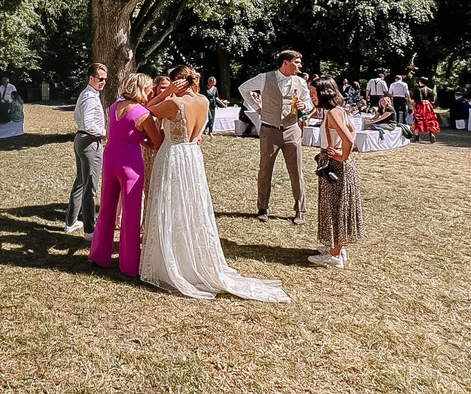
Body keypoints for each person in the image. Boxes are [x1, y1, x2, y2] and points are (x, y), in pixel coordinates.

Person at [139, 66, 290, 302]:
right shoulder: (202, 100)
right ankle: (189, 256)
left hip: (174, 155)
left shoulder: (174, 103)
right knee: (191, 206)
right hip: (192, 156)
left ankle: (174, 261)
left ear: (178, 82)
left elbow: (146, 109)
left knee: (171, 203)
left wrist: (165, 92)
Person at [90, 73, 162, 277]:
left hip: (110, 160)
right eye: (150, 89)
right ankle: (129, 264)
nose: (151, 92)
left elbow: (122, 133)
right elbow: (156, 141)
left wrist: (138, 139)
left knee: (107, 208)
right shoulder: (143, 113)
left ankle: (99, 255)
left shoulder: (114, 107)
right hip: (130, 164)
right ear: (143, 89)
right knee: (131, 214)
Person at [238, 50, 310, 225]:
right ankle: (262, 208)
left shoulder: (300, 82)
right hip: (269, 130)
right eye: (297, 62)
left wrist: (304, 105)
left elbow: (309, 102)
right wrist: (257, 108)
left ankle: (300, 210)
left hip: (292, 129)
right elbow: (243, 89)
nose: (300, 66)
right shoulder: (264, 78)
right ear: (286, 63)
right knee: (265, 170)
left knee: (296, 171)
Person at [307, 77, 364, 268]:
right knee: (336, 206)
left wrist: (342, 155)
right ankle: (337, 248)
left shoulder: (333, 113)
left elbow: (349, 139)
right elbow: (353, 129)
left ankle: (335, 256)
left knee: (336, 207)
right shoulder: (338, 110)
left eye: (314, 92)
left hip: (336, 166)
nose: (312, 96)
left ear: (324, 93)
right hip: (336, 163)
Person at [65, 63, 107, 238]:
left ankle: (71, 221)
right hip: (89, 141)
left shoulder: (86, 94)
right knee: (90, 186)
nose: (103, 82)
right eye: (100, 79)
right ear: (91, 78)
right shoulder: (90, 97)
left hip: (81, 138)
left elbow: (77, 116)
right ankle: (90, 230)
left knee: (81, 182)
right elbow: (89, 124)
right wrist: (105, 133)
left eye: (105, 79)